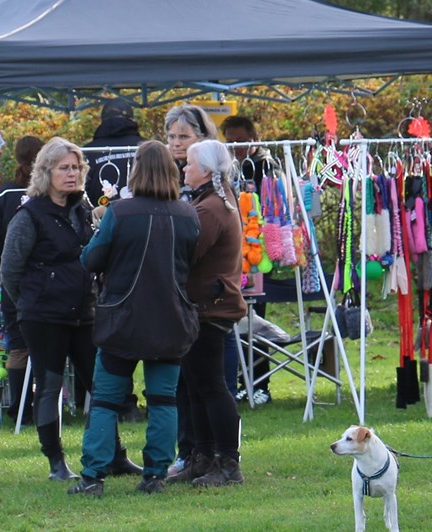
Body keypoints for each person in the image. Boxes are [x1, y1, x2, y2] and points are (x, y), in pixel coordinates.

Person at [1, 137, 140, 481]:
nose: (72, 174)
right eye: (64, 167)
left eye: (76, 167)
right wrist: (31, 304)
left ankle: (115, 456)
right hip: (43, 316)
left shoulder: (83, 209)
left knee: (102, 385)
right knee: (48, 387)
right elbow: (9, 270)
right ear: (46, 171)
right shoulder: (28, 214)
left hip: (85, 312)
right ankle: (56, 463)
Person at [69, 141, 200, 496]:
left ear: (136, 170)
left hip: (122, 322)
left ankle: (92, 475)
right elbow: (193, 263)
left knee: (106, 402)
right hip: (171, 321)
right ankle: (155, 474)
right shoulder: (188, 215)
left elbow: (91, 259)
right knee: (164, 399)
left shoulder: (120, 212)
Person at [166, 140, 247, 488]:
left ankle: (227, 462)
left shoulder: (211, 208)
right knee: (198, 386)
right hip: (207, 305)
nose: (184, 168)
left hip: (209, 308)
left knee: (210, 386)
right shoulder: (213, 201)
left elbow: (185, 254)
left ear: (208, 171)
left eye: (190, 163)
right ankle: (204, 458)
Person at [160, 103, 228, 477]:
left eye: (183, 137)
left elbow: (191, 248)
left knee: (206, 382)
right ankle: (193, 453)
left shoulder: (212, 194)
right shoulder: (172, 178)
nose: (176, 144)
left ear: (202, 140)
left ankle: (218, 456)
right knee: (185, 383)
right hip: (186, 299)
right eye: (171, 137)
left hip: (207, 299)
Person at [0, 135, 42, 424]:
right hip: (50, 282)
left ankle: (20, 409)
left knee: (18, 346)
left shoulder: (4, 195)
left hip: (13, 282)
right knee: (53, 345)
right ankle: (57, 405)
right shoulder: (50, 194)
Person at [220, 115, 276, 405]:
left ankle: (261, 384)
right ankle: (244, 382)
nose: (236, 148)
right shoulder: (225, 168)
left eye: (241, 141)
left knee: (257, 323)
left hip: (258, 255)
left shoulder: (267, 165)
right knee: (235, 324)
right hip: (235, 257)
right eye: (230, 142)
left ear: (254, 138)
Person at [83, 98, 145, 207]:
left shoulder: (88, 151)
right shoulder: (149, 148)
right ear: (132, 119)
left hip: (102, 220)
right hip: (148, 219)